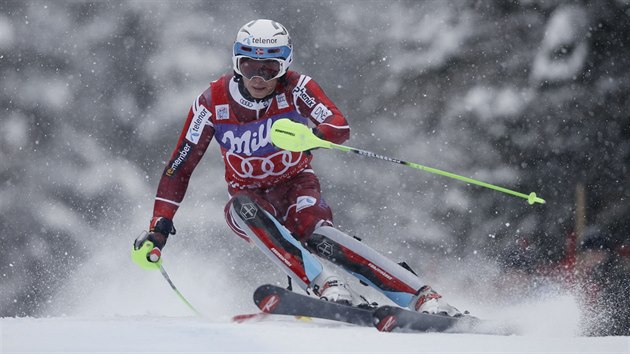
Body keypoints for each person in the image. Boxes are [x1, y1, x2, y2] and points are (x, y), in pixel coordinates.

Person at [132, 19, 461, 316]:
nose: (258, 78)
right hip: (250, 199)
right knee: (241, 208)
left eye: (269, 67)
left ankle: (421, 296)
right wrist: (160, 225)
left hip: (296, 185)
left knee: (316, 233)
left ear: (284, 65)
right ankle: (327, 285)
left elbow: (339, 126)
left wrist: (312, 135)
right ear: (236, 63)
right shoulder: (212, 101)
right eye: (248, 66)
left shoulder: (297, 87)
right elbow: (180, 166)